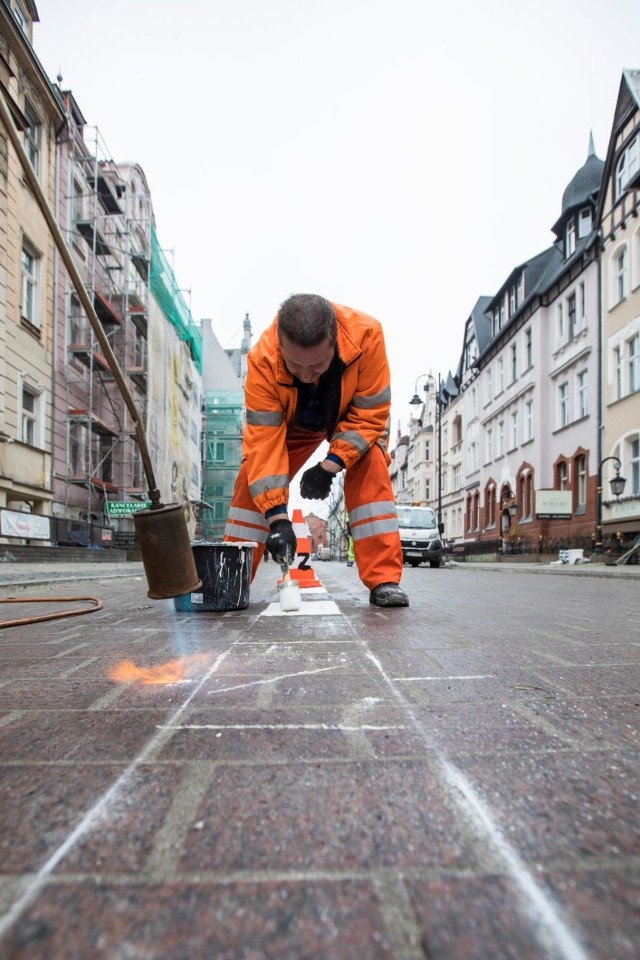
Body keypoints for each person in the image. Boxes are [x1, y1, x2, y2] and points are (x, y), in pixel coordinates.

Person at [223, 294, 408, 607]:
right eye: (295, 366)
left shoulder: (368, 336)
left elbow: (370, 415)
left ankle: (384, 580)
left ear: (334, 341)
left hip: (348, 417)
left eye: (317, 365)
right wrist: (278, 519)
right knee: (249, 478)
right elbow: (264, 443)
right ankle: (231, 579)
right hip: (294, 425)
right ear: (280, 345)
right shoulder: (262, 359)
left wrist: (331, 465)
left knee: (372, 463)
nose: (306, 376)